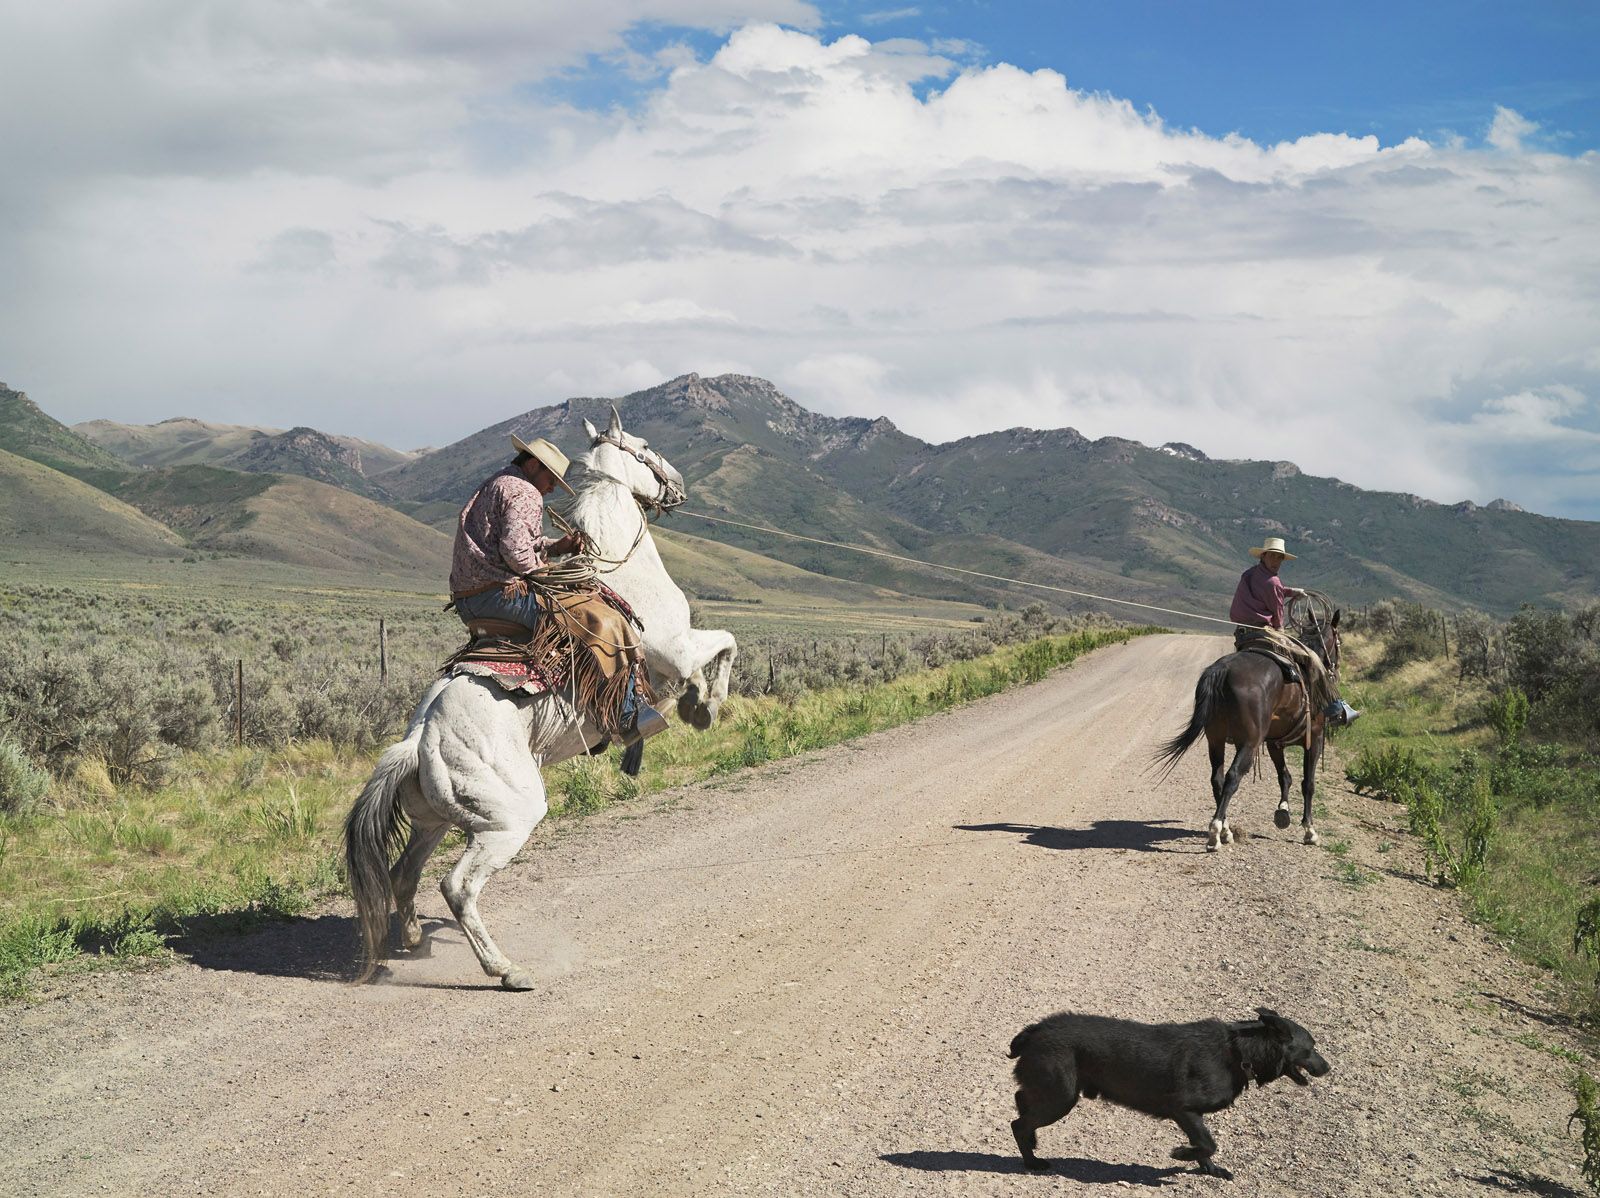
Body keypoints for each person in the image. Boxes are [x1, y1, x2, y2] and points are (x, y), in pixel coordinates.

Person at [450, 433, 663, 744]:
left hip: (471, 597)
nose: (550, 489)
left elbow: (513, 544)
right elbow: (516, 554)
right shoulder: (524, 491)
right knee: (597, 616)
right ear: (534, 465)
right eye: (551, 479)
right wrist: (554, 574)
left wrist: (557, 546)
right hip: (499, 595)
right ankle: (626, 712)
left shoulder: (499, 482)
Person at [1230, 536, 1360, 726]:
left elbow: (1269, 589)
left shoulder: (1249, 574)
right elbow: (1277, 614)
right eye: (1273, 556)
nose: (1276, 561)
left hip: (1242, 633)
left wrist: (1291, 591)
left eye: (1279, 558)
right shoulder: (1273, 582)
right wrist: (1281, 633)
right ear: (1264, 556)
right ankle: (1334, 709)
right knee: (1312, 659)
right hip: (1265, 632)